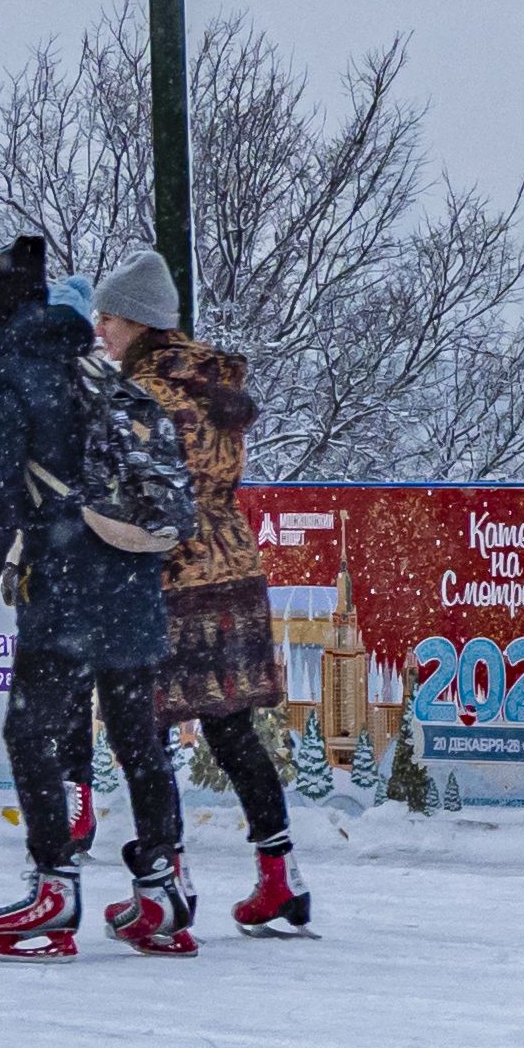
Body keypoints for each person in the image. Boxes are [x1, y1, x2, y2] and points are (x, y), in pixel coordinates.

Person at [0, 237, 195, 958]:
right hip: (131, 574)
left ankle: (55, 888)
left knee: (31, 733)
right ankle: (161, 887)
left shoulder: (9, 375)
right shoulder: (89, 359)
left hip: (66, 584)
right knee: (136, 736)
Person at [106, 255, 313, 938]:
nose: (100, 329)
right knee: (230, 728)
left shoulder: (151, 394)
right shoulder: (208, 383)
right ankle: (280, 876)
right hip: (231, 567)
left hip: (168, 576)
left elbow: (152, 494)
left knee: (150, 733)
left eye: (108, 317)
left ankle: (170, 882)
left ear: (138, 320)